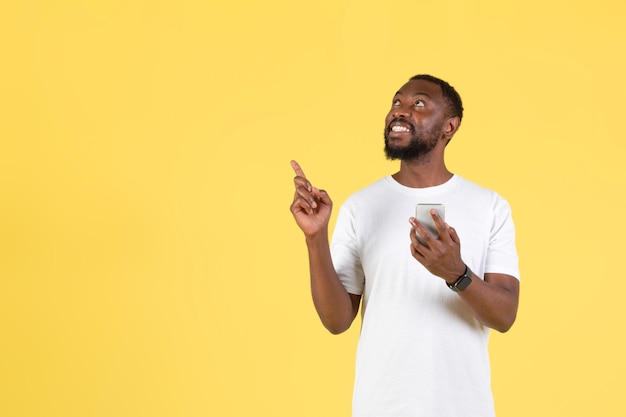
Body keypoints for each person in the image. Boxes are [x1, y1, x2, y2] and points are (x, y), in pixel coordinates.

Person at [289, 74, 520, 417]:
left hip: (464, 408)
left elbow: (504, 316)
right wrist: (315, 238)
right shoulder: (361, 206)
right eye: (396, 102)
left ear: (450, 127)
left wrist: (457, 274)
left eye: (419, 104)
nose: (400, 111)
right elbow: (336, 321)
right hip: (381, 407)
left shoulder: (489, 206)